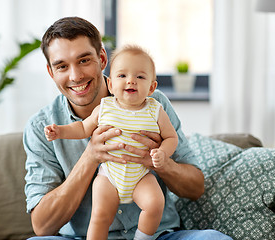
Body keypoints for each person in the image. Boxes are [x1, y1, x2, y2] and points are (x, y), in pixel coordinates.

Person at [24, 16, 232, 240]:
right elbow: (42, 226)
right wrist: (90, 157)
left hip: (158, 235)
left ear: (102, 58)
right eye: (62, 66)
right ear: (50, 72)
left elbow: (196, 187)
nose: (75, 76)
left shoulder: (153, 104)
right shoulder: (41, 126)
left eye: (84, 60)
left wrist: (161, 162)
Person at [44, 45, 178, 240]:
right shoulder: (105, 107)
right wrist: (60, 131)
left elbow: (171, 138)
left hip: (140, 175)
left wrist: (163, 154)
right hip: (109, 177)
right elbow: (82, 128)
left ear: (151, 87)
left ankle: (142, 239)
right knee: (100, 216)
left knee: (155, 203)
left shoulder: (155, 110)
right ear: (111, 85)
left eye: (140, 77)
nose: (131, 80)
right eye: (122, 76)